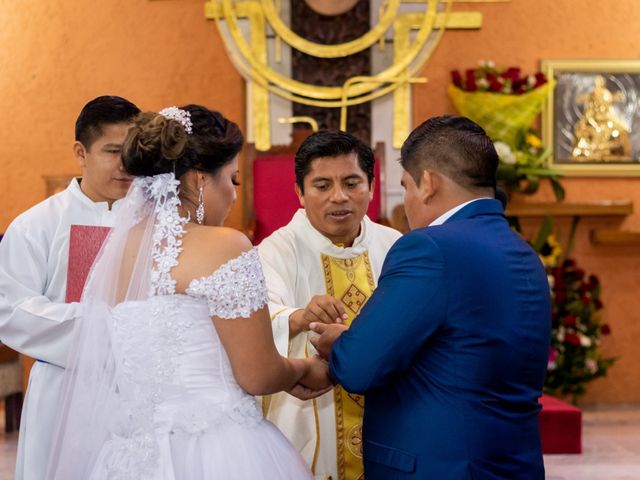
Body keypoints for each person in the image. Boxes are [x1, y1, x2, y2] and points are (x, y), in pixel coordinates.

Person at [45, 105, 331, 479]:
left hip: (132, 453)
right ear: (198, 180)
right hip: (218, 449)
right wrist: (308, 368)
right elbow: (258, 374)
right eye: (233, 179)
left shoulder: (115, 252)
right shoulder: (225, 245)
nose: (232, 194)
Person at [311, 116, 552, 479]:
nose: (407, 201)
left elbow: (360, 366)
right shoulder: (522, 251)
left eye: (406, 185)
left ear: (427, 184)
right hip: (512, 462)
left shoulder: (429, 248)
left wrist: (337, 343)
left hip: (438, 466)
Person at [0, 95, 140, 480]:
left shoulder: (155, 226)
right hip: (63, 389)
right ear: (81, 151)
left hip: (138, 391)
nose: (126, 165)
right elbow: (11, 310)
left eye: (132, 152)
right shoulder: (37, 225)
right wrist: (110, 327)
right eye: (113, 151)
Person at [259, 130, 401, 480]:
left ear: (371, 185)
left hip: (388, 418)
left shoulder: (396, 246)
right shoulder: (275, 250)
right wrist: (298, 317)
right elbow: (261, 318)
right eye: (322, 185)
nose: (339, 197)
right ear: (300, 192)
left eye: (352, 183)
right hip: (307, 417)